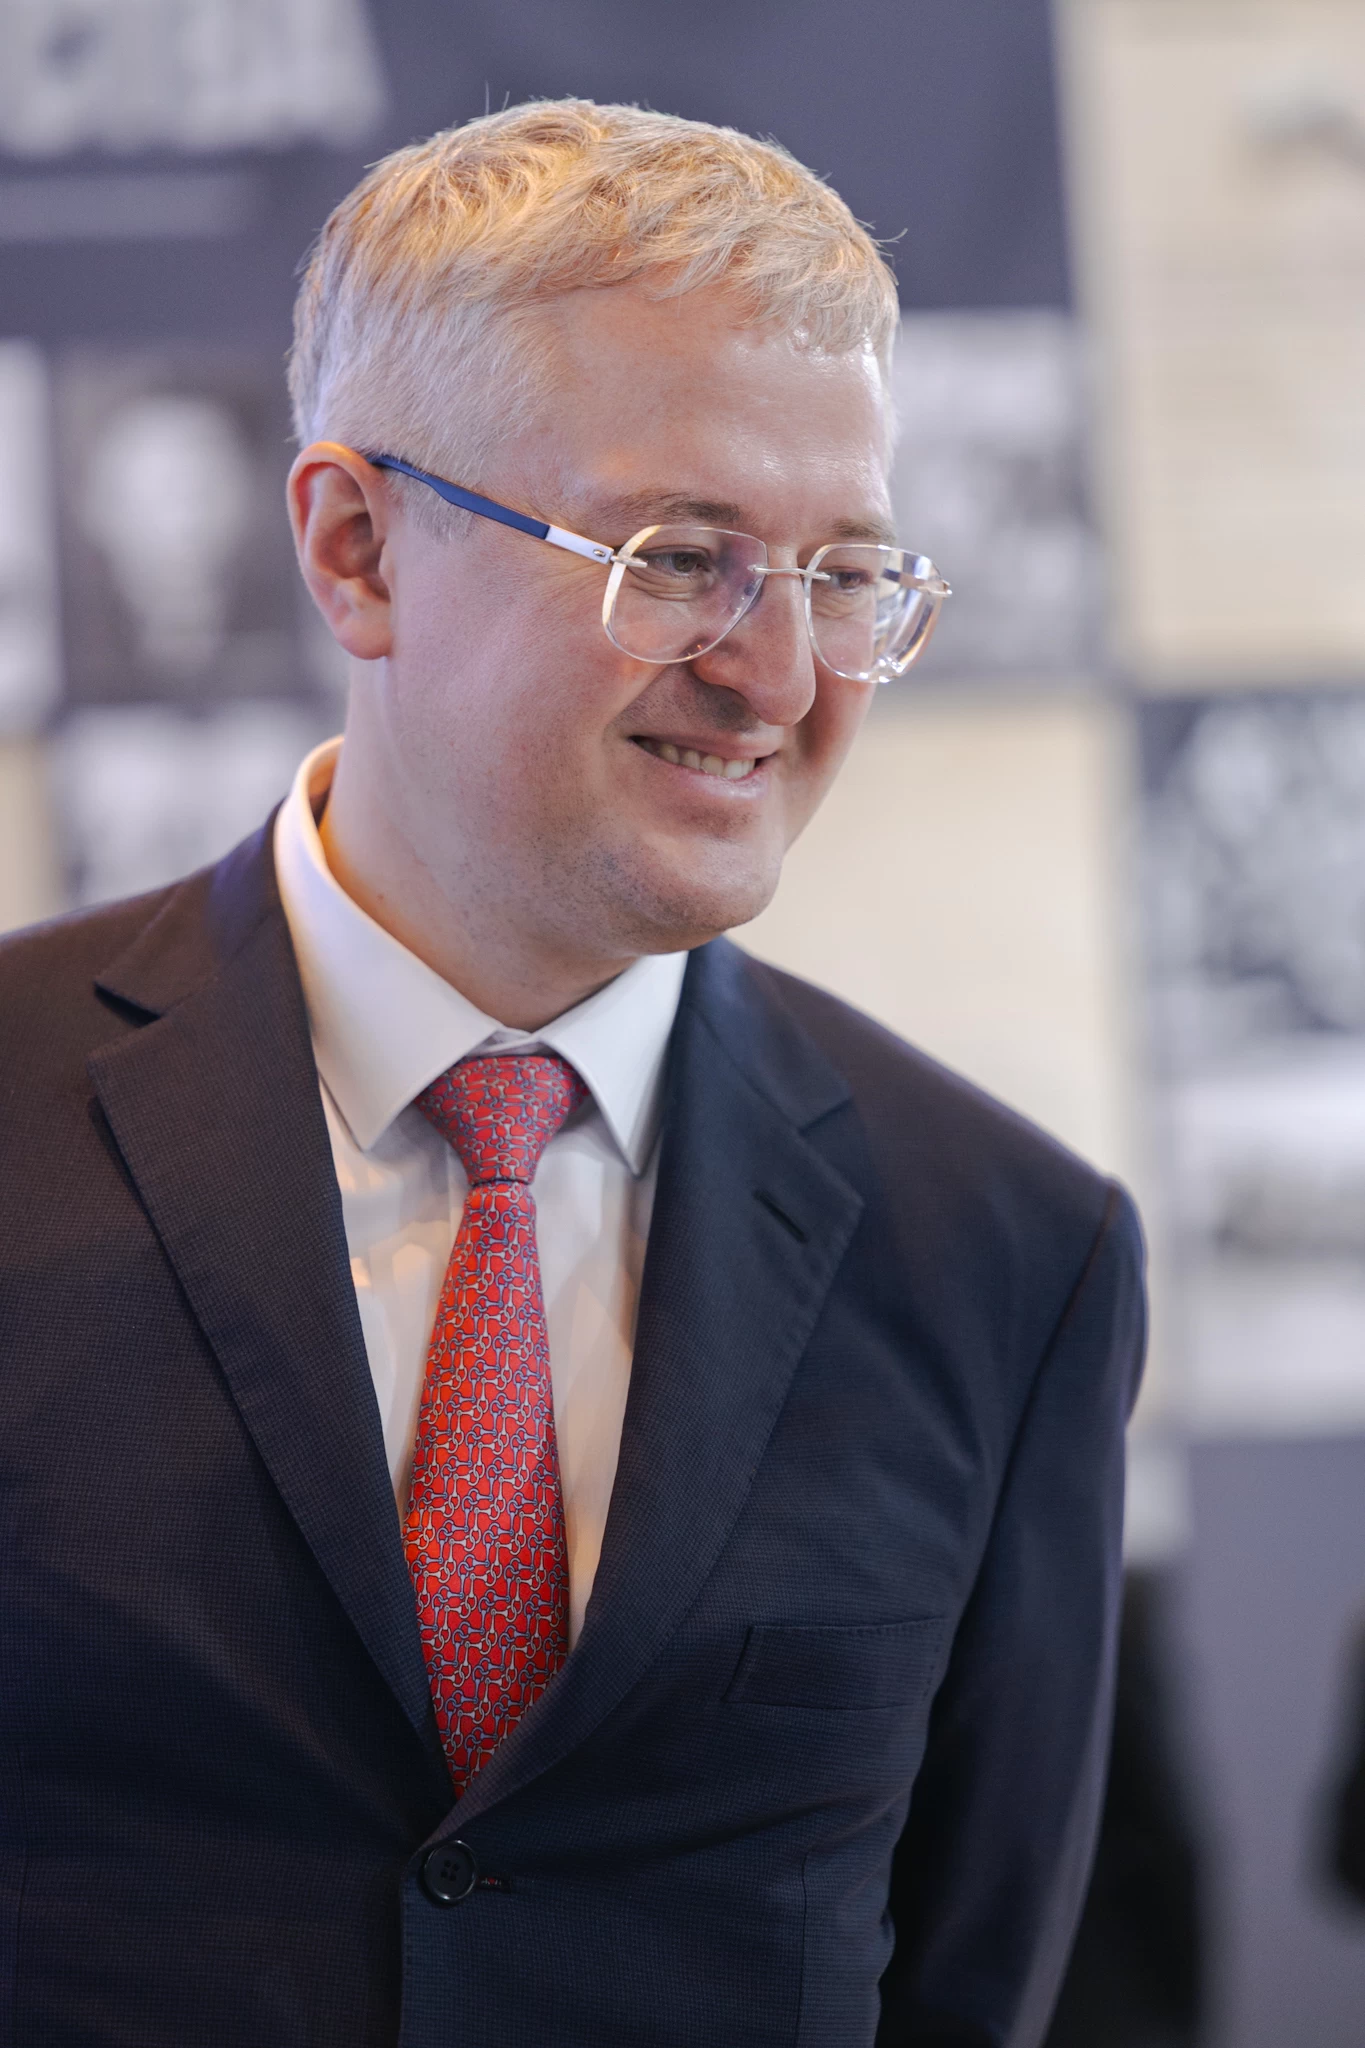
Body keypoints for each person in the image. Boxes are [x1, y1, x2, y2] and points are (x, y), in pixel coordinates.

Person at [0, 101, 1145, 2048]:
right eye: (682, 557)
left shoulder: (1007, 1253)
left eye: (846, 572)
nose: (780, 674)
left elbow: (969, 1983)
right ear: (358, 549)